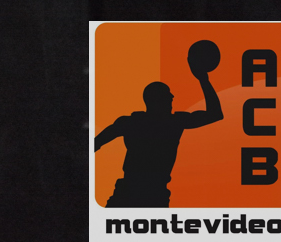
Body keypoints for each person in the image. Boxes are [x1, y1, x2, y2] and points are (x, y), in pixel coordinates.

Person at [96, 58, 223, 206]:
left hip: (133, 192)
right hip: (149, 194)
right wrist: (203, 79)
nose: (172, 97)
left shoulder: (131, 122)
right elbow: (215, 114)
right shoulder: (173, 122)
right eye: (167, 94)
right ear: (158, 99)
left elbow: (97, 142)